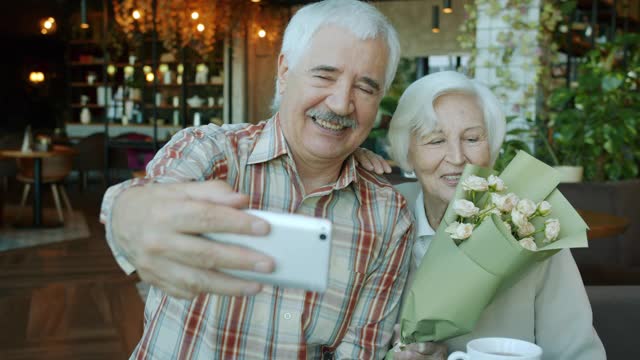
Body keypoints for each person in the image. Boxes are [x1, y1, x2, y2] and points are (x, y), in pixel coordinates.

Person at [99, 1, 437, 358]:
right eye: (324, 75)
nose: (340, 104)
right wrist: (128, 215)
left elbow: (357, 351)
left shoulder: (387, 216)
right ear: (284, 71)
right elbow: (146, 200)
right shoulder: (213, 154)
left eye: (366, 88)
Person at [356, 70, 606, 359]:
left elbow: (578, 352)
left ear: (492, 148)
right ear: (407, 153)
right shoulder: (377, 217)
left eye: (472, 138)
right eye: (436, 140)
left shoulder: (530, 225)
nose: (457, 157)